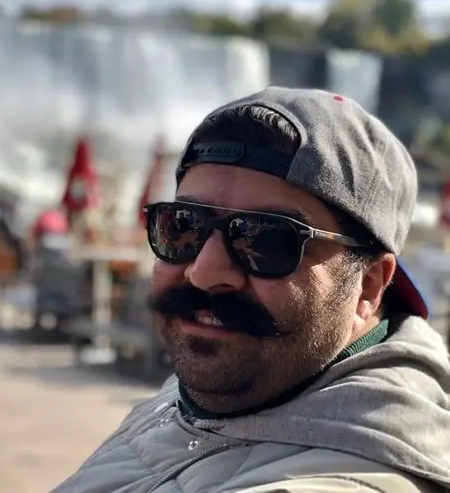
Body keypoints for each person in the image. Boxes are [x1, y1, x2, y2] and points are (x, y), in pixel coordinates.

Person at [52, 87, 450, 492]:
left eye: (266, 240)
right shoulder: (220, 393)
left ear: (368, 286)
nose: (204, 272)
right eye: (184, 225)